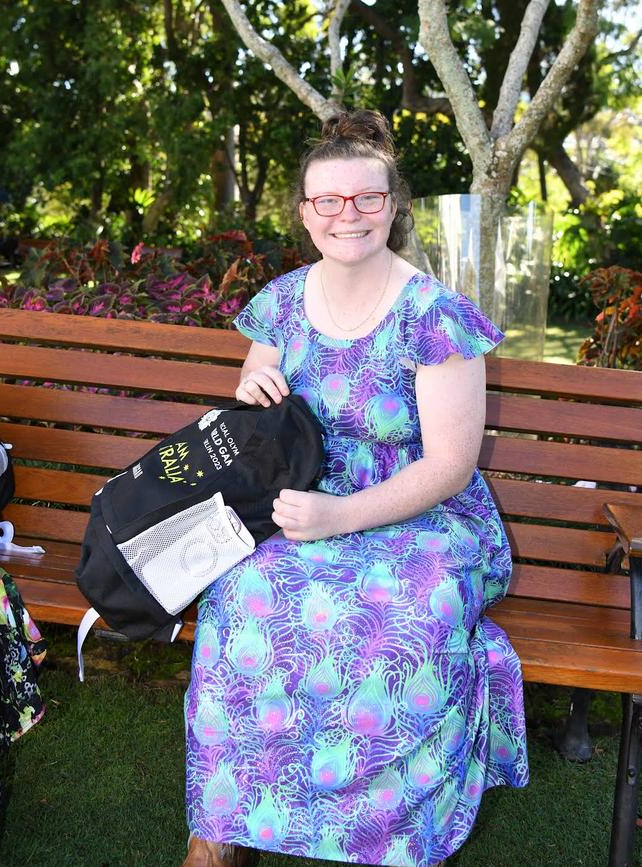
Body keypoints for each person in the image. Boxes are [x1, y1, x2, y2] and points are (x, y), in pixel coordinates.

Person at [183, 110, 528, 867]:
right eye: (328, 201)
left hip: (421, 516)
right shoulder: (280, 301)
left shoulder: (435, 317)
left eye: (366, 199)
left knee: (401, 619)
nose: (348, 215)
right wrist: (254, 381)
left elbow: (449, 468)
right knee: (241, 595)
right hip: (305, 499)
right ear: (305, 212)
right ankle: (219, 834)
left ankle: (392, 840)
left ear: (393, 205)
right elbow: (253, 397)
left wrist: (339, 517)